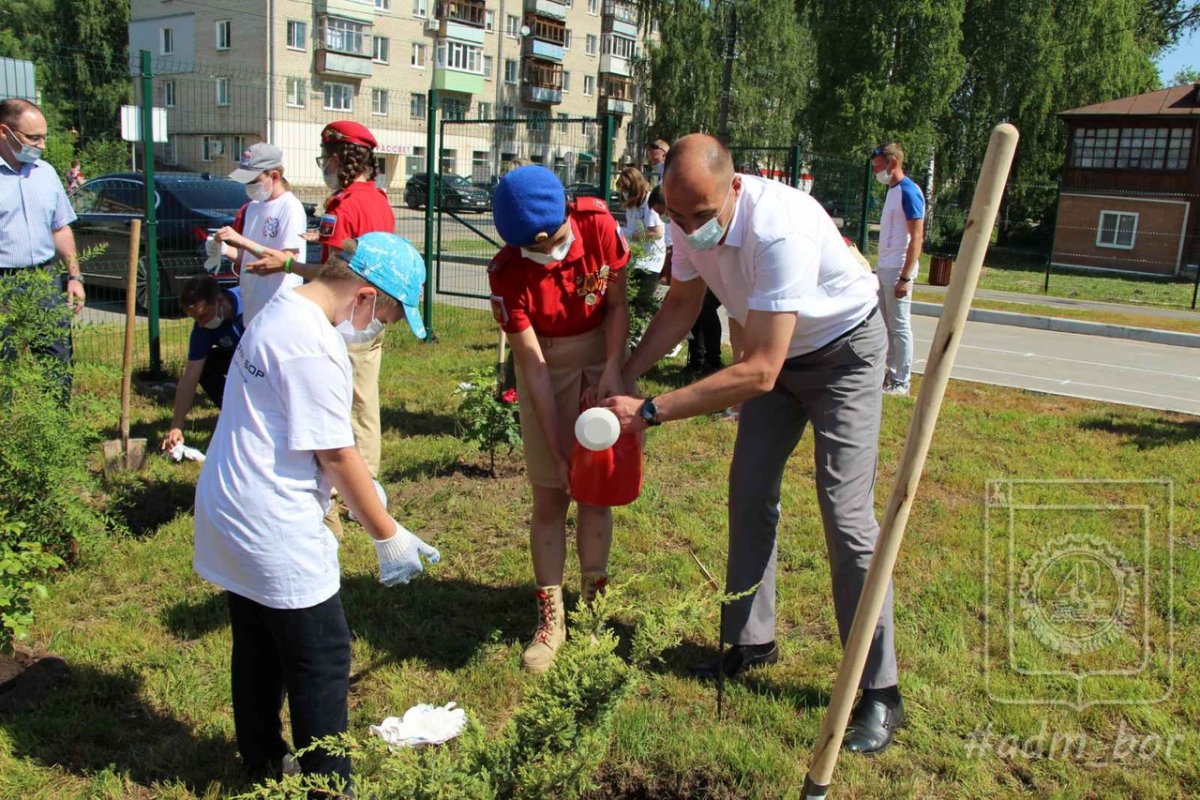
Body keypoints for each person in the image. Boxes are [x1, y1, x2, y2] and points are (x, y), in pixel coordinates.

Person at [603, 134, 904, 755]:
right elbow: (683, 305)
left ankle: (877, 690)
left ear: (735, 186)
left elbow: (760, 368)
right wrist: (627, 369)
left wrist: (652, 410)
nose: (686, 228)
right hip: (778, 359)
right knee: (748, 492)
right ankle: (751, 640)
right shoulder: (687, 218)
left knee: (846, 517)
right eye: (675, 215)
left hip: (842, 354)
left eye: (700, 216)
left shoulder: (779, 230)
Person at [193, 232, 435, 791]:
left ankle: (259, 762)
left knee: (257, 644)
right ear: (366, 297)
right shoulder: (315, 346)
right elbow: (335, 453)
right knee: (320, 657)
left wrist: (362, 487)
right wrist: (388, 533)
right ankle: (330, 785)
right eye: (389, 317)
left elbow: (300, 431)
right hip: (272, 522)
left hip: (231, 503)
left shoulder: (282, 307)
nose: (379, 330)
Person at [487, 165, 630, 674]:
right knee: (551, 495)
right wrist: (558, 446)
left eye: (556, 241)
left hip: (602, 361)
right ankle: (552, 621)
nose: (551, 252)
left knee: (596, 492)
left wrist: (613, 368)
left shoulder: (597, 225)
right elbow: (534, 369)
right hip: (546, 372)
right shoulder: (507, 274)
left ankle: (594, 609)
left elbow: (616, 306)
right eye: (538, 249)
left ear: (567, 214)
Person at [239, 121, 395, 483]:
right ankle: (364, 479)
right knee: (363, 400)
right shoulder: (379, 200)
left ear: (339, 159)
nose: (324, 165)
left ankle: (354, 487)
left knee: (345, 403)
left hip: (346, 315)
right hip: (370, 312)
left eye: (325, 158)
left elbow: (332, 274)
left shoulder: (344, 206)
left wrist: (289, 264)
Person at [0, 98, 85, 392]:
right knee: (4, 364)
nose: (41, 145)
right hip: (3, 281)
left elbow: (60, 227)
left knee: (56, 360)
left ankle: (56, 431)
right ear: (4, 132)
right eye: (33, 138)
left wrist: (74, 276)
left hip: (44, 278)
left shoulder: (46, 173)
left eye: (43, 137)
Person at [209, 143, 306, 325]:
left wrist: (240, 240)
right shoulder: (253, 207)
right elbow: (247, 259)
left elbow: (286, 260)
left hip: (279, 313)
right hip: (253, 309)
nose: (248, 187)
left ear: (274, 176)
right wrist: (222, 249)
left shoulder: (290, 207)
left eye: (253, 181)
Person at [160, 276, 245, 453]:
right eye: (195, 318)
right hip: (240, 357)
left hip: (268, 360)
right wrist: (177, 425)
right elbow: (189, 379)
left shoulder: (251, 303)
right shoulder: (202, 331)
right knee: (206, 367)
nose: (201, 323)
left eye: (203, 315)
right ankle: (235, 414)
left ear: (219, 301)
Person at [871, 142, 925, 397]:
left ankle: (901, 380)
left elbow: (917, 237)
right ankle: (889, 375)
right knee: (885, 325)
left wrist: (905, 276)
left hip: (898, 270)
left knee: (900, 326)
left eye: (879, 167)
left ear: (893, 163)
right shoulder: (892, 191)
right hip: (884, 268)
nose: (876, 173)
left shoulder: (909, 191)